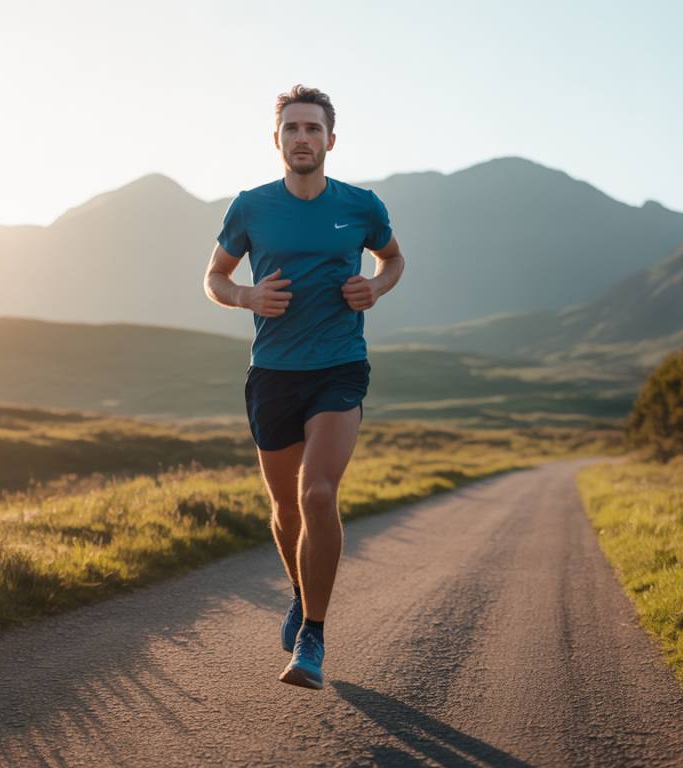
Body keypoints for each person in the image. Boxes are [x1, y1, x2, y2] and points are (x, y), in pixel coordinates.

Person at [202, 84, 405, 689]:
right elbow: (214, 276)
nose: (302, 139)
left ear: (330, 140)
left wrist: (378, 286)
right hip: (273, 374)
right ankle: (301, 589)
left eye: (313, 129)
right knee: (286, 510)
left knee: (317, 494)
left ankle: (312, 634)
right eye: (292, 129)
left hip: (340, 366)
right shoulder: (251, 207)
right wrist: (245, 296)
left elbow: (393, 260)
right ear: (277, 140)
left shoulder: (361, 206)